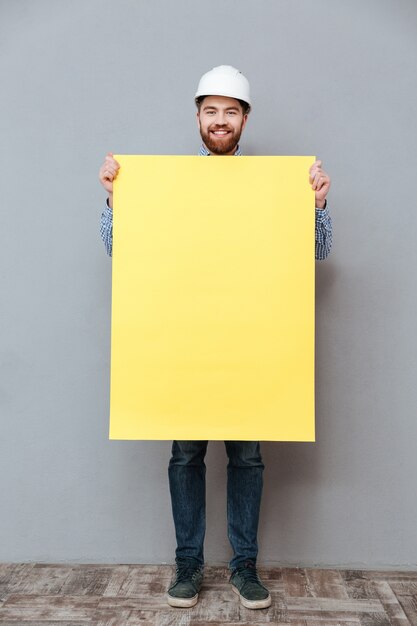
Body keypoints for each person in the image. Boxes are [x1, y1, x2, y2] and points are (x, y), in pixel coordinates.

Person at [99, 65, 332, 610]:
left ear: (245, 119)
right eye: (211, 111)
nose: (220, 121)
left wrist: (316, 206)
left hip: (250, 348)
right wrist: (115, 198)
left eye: (231, 111)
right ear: (198, 118)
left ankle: (244, 568)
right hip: (186, 347)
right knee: (186, 456)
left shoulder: (277, 187)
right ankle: (188, 566)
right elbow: (122, 254)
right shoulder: (165, 184)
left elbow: (315, 254)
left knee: (247, 458)